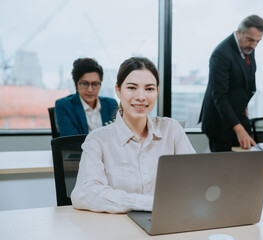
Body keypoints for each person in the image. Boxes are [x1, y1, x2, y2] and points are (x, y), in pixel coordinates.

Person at [71, 57, 195, 213]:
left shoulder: (172, 129)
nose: (141, 96)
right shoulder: (98, 140)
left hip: (168, 222)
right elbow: (84, 193)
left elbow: (195, 182)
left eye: (149, 89)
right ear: (118, 90)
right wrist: (148, 203)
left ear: (157, 91)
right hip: (119, 229)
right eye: (132, 88)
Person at [199, 15, 263, 151]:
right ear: (240, 32)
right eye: (251, 40)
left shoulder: (248, 48)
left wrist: (245, 106)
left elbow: (245, 81)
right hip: (219, 120)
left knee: (249, 161)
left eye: (258, 41)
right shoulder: (221, 54)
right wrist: (239, 130)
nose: (254, 45)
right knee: (224, 168)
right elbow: (220, 96)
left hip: (238, 114)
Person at [55, 58, 118, 136]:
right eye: (85, 84)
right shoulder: (64, 106)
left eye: (95, 84)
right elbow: (72, 142)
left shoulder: (111, 104)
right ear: (76, 84)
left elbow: (118, 136)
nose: (90, 90)